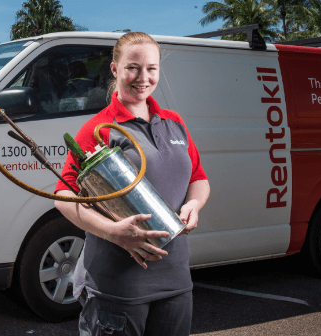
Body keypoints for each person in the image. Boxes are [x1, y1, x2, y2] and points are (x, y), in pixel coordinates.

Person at [54, 32, 210, 336]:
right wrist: (114, 233)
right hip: (119, 284)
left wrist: (194, 203)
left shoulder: (174, 122)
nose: (143, 77)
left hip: (175, 280)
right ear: (115, 69)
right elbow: (63, 196)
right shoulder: (99, 128)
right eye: (133, 68)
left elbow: (198, 178)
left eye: (151, 68)